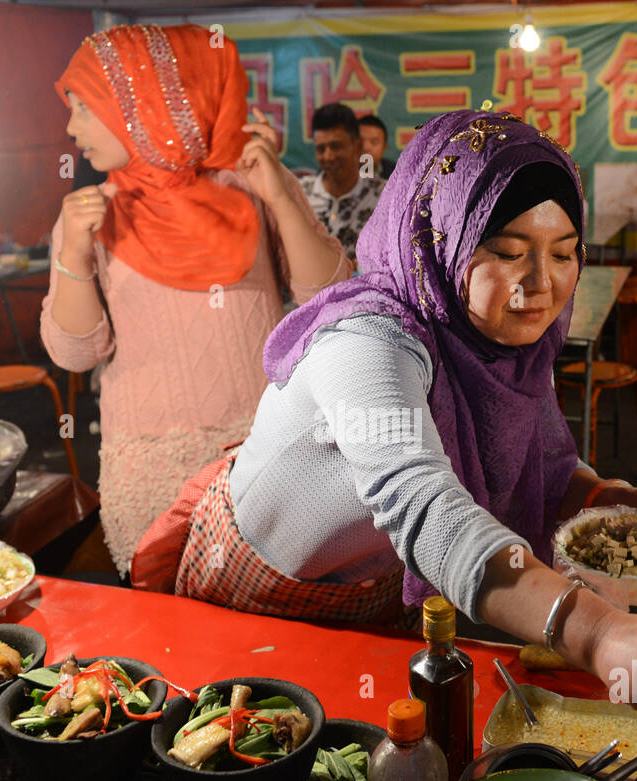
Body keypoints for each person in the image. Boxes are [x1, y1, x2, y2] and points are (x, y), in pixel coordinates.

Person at [160, 109, 637, 739]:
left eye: (566, 253)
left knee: (379, 751)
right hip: (259, 593)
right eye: (507, 252)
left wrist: (592, 498)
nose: (541, 285)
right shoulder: (364, 342)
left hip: (378, 587)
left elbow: (539, 453)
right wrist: (596, 631)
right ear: (438, 241)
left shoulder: (502, 342)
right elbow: (426, 507)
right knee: (249, 750)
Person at [43, 24, 350, 576]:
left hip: (267, 447)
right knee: (170, 637)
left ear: (143, 104)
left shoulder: (251, 184)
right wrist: (71, 252)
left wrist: (280, 197)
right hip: (148, 468)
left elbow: (329, 301)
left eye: (85, 107)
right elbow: (75, 353)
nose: (70, 127)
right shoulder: (89, 214)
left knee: (278, 626)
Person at [299, 103, 386, 268]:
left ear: (358, 146)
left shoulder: (383, 195)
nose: (328, 156)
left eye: (336, 146)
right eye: (321, 149)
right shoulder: (299, 194)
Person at [357, 114, 395, 179]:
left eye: (374, 142)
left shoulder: (397, 173)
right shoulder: (338, 172)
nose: (366, 147)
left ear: (384, 147)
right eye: (360, 141)